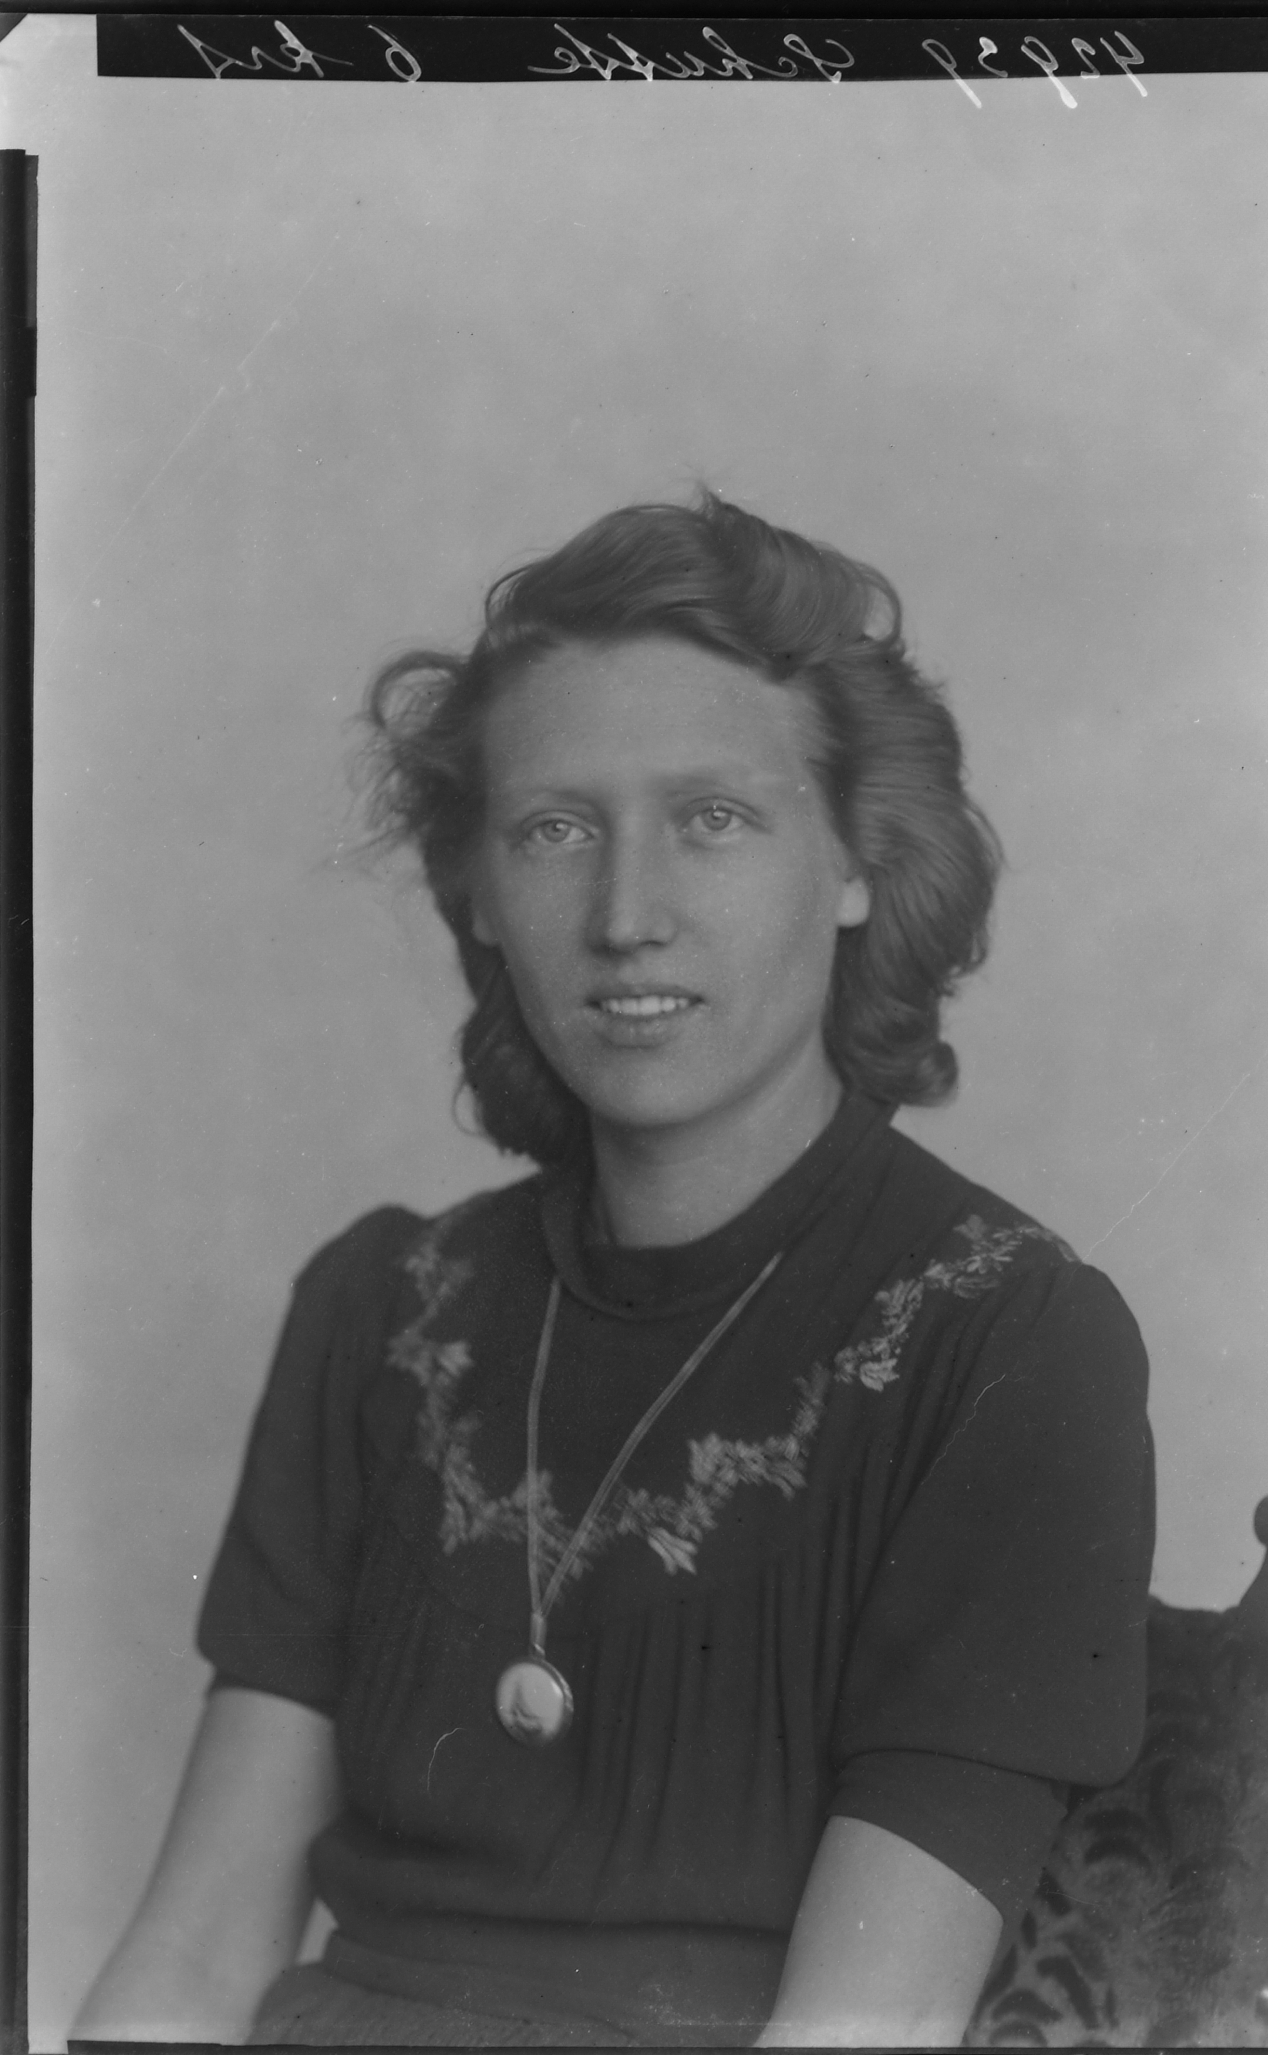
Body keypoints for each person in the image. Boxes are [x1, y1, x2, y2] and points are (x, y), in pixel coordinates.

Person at [73, 492, 1155, 2048]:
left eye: (711, 818)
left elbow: (864, 2027)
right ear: (478, 893)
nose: (627, 918)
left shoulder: (1003, 1340)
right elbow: (189, 1963)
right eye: (554, 830)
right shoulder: (384, 1310)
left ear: (857, 862)